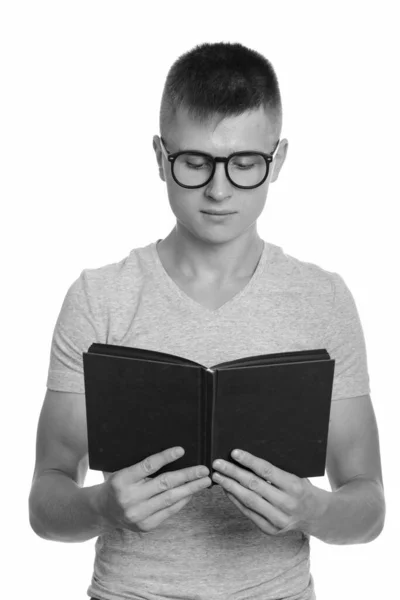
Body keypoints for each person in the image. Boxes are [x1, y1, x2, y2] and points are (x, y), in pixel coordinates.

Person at [28, 41, 385, 600]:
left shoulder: (323, 299)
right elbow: (46, 505)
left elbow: (368, 508)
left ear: (279, 159)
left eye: (245, 164)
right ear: (160, 156)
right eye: (195, 163)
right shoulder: (101, 298)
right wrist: (102, 506)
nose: (219, 191)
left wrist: (310, 510)